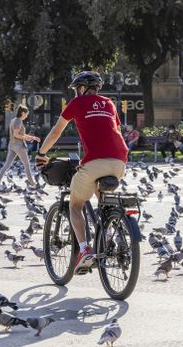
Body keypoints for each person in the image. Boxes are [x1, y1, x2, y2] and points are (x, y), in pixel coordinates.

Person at [36, 71, 129, 273]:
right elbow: (117, 133)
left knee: (75, 206)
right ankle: (111, 232)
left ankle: (85, 250)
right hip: (120, 162)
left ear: (81, 88)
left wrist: (42, 153)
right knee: (101, 198)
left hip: (95, 162)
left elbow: (56, 131)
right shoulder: (109, 104)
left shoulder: (76, 104)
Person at [0, 105, 39, 188]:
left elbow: (20, 134)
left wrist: (32, 137)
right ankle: (33, 184)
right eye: (26, 114)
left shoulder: (14, 120)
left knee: (7, 164)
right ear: (23, 113)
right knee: (27, 164)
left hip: (12, 145)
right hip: (19, 146)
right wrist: (27, 139)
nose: (27, 116)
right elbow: (16, 135)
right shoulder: (18, 121)